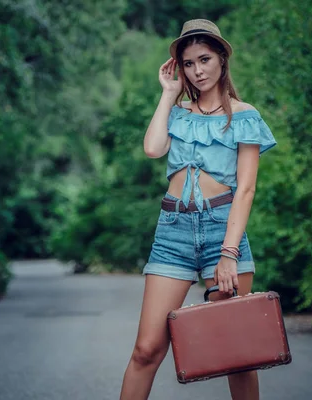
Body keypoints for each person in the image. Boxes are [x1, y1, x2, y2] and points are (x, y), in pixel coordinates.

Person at [119, 19, 277, 400]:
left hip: (223, 231)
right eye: (188, 63)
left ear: (222, 58)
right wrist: (167, 94)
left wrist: (229, 253)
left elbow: (246, 189)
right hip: (172, 231)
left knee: (238, 356)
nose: (197, 70)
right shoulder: (178, 111)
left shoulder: (243, 115)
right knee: (146, 350)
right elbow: (153, 148)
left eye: (204, 59)